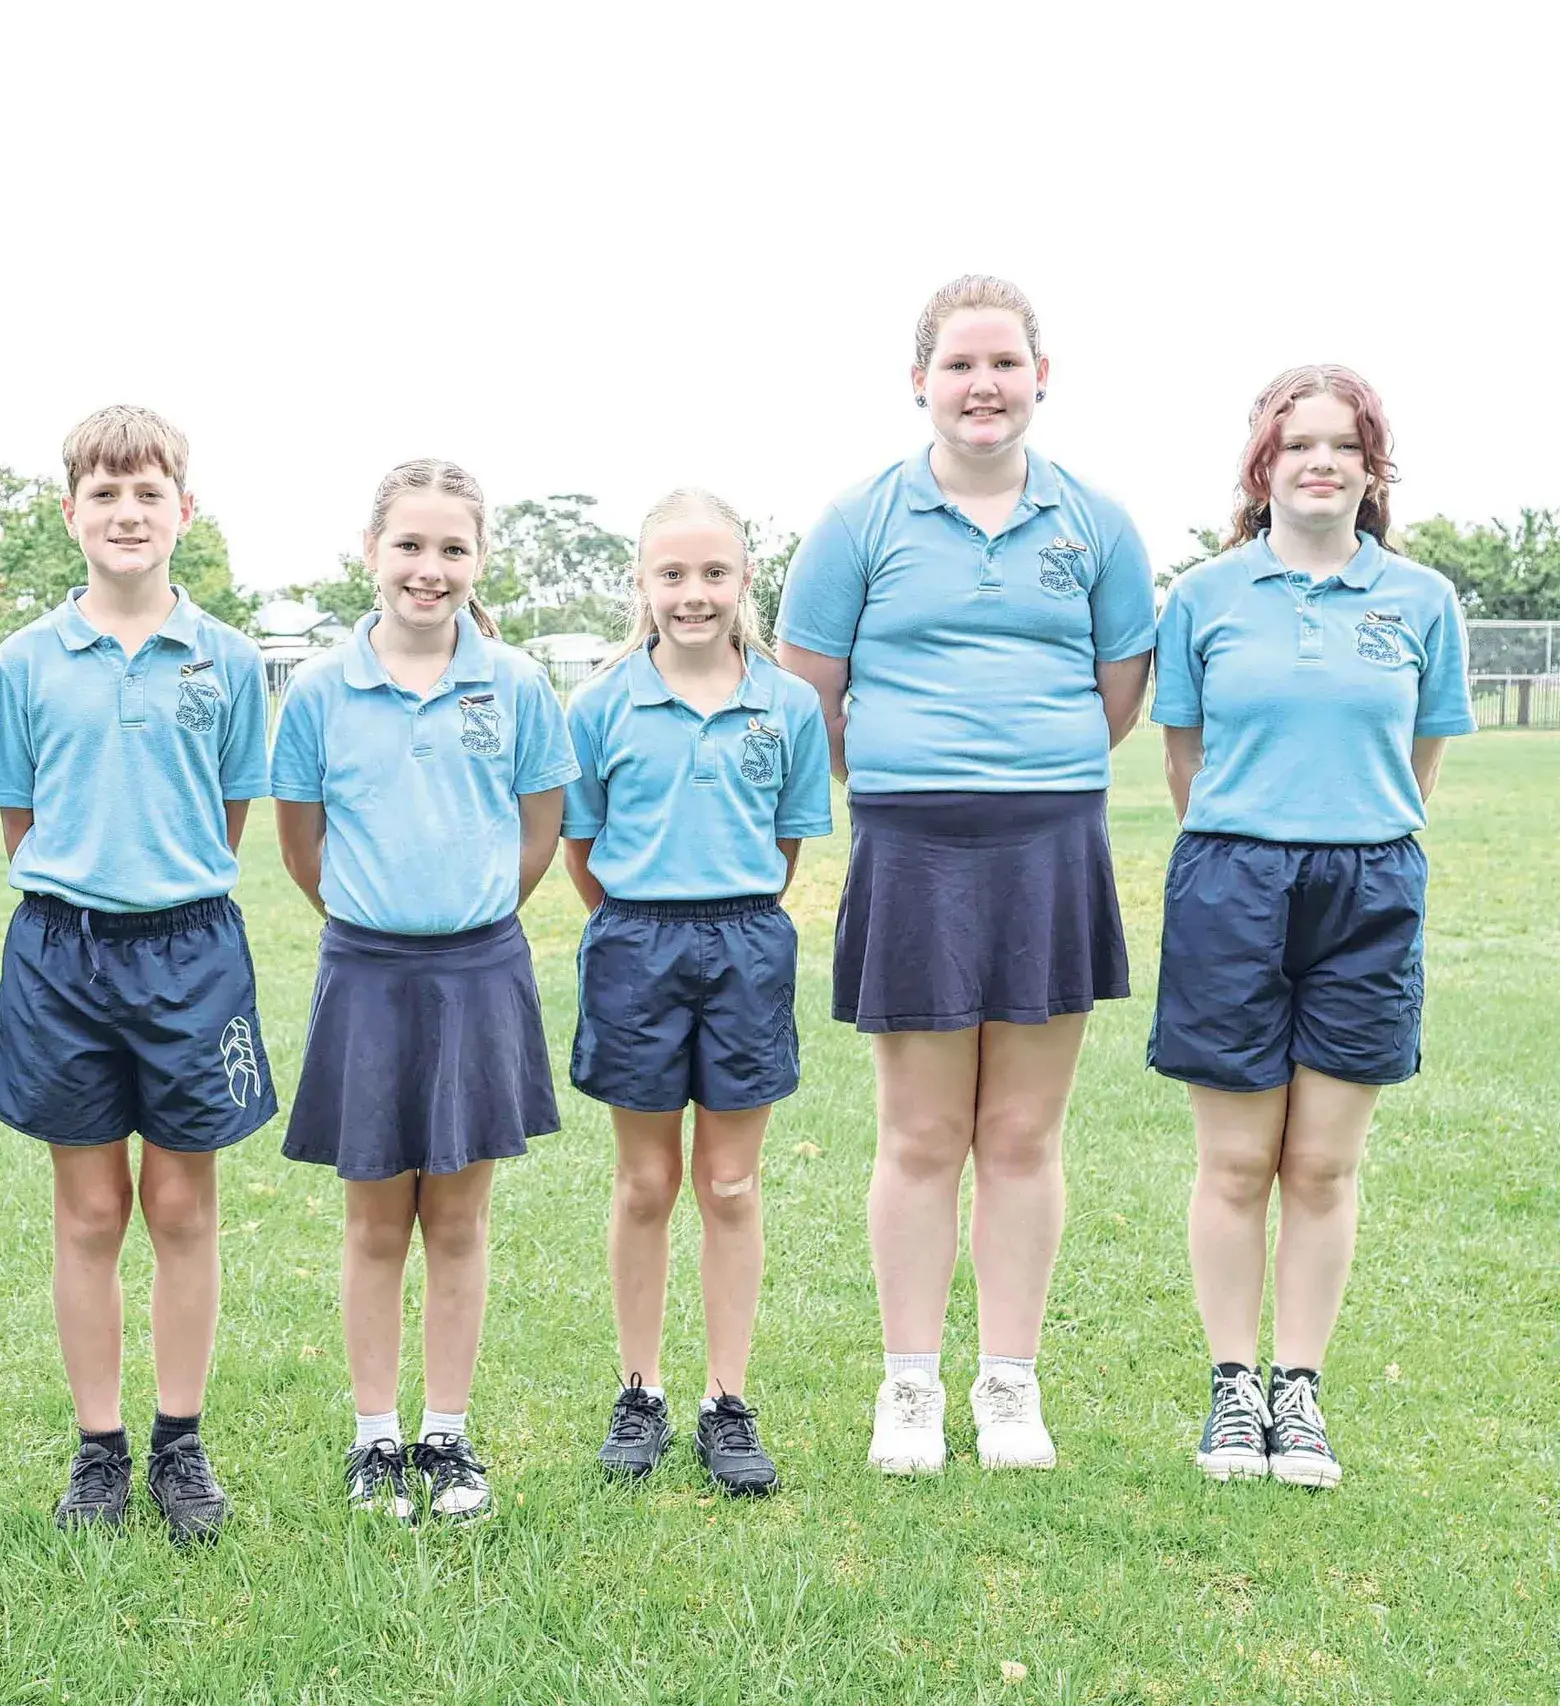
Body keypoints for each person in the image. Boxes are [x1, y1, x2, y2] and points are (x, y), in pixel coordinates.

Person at [776, 276, 1155, 1474]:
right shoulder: (857, 521)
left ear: (1041, 376)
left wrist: (1023, 765)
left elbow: (1117, 691)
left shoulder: (1095, 523)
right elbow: (810, 693)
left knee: (1024, 1132)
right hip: (911, 843)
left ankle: (1008, 1384)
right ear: (919, 382)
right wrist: (915, 770)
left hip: (1049, 842)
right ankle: (907, 1387)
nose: (981, 385)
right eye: (958, 364)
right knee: (923, 1130)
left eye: (1002, 363)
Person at [1151, 366, 1472, 1489]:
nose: (1321, 462)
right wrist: (1257, 838)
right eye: (1298, 445)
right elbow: (1182, 758)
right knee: (1236, 1158)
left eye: (1343, 444)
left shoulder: (1423, 600)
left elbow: (1420, 759)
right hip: (1230, 877)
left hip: (1370, 884)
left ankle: (1300, 1388)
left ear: (1372, 467)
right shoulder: (1201, 597)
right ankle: (1232, 1388)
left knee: (1324, 1163)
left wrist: (1349, 832)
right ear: (1263, 467)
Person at [0, 404, 278, 1544]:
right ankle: (98, 1447)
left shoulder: (229, 658)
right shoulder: (24, 660)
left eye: (148, 491)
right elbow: (17, 813)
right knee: (91, 1206)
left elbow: (230, 807)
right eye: (103, 492)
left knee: (184, 1203)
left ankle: (178, 1440)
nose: (126, 511)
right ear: (70, 514)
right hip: (64, 949)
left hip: (190, 947)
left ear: (183, 511)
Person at [272, 458, 577, 1524]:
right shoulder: (317, 691)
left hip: (478, 970)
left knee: (456, 1216)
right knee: (371, 1221)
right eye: (409, 544)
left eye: (453, 548)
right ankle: (374, 1437)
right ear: (370, 551)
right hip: (365, 971)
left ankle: (445, 1432)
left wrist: (469, 909)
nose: (429, 568)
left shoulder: (519, 684)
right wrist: (381, 918)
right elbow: (301, 846)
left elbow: (538, 827)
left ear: (478, 559)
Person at [561, 489, 832, 1495]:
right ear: (642, 583)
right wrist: (646, 914)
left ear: (743, 579)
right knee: (644, 1182)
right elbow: (582, 849)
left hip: (746, 943)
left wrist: (729, 917)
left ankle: (726, 1398)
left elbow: (789, 841)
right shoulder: (598, 706)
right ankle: (640, 1389)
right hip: (636, 941)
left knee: (727, 1182)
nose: (692, 593)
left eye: (712, 572)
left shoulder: (788, 705)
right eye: (671, 574)